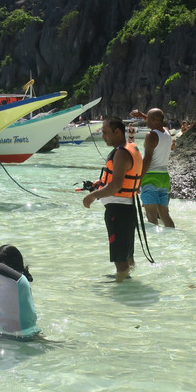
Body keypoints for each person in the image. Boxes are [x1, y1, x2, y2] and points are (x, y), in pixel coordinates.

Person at [82, 117, 142, 281]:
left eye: (105, 132)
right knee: (128, 255)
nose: (103, 136)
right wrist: (101, 184)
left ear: (117, 131)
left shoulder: (121, 153)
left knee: (120, 259)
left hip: (118, 212)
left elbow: (116, 186)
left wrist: (92, 195)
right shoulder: (130, 148)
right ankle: (128, 281)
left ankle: (121, 288)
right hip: (127, 209)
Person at [130, 107, 175, 227]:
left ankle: (155, 244)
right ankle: (172, 238)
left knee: (151, 217)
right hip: (164, 178)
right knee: (165, 216)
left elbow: (147, 159)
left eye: (148, 119)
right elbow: (157, 120)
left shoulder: (151, 135)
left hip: (150, 178)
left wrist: (138, 180)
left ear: (154, 120)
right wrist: (142, 115)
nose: (146, 121)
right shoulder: (166, 132)